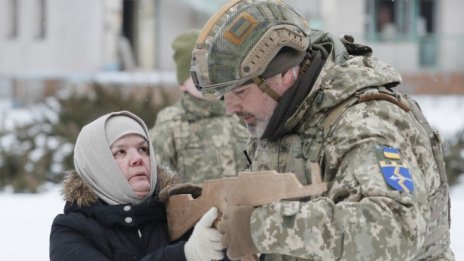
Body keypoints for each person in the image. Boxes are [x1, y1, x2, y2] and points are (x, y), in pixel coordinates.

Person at [190, 0, 455, 260]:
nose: (231, 107)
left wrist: (261, 228)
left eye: (240, 91)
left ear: (285, 74)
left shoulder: (364, 120)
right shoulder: (282, 114)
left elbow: (398, 228)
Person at [49, 111, 225, 261]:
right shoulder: (71, 230)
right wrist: (185, 254)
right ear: (97, 165)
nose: (137, 159)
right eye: (120, 152)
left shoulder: (182, 210)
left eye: (143, 149)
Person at [150, 29, 250, 184]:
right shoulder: (171, 123)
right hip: (195, 207)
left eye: (215, 71)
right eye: (199, 76)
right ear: (183, 84)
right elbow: (160, 181)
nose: (210, 80)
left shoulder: (241, 114)